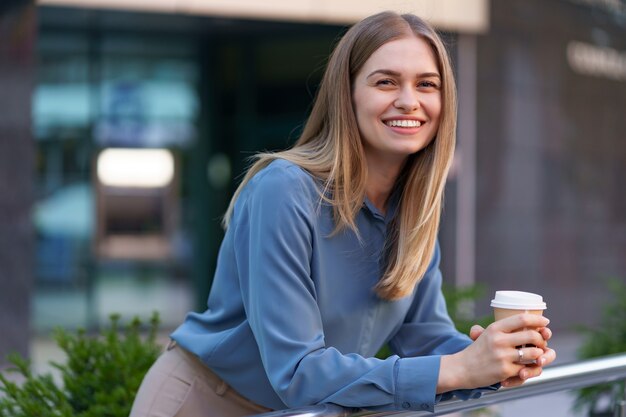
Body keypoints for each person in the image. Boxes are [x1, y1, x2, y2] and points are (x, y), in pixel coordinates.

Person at [129, 10, 556, 417]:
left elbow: (424, 337)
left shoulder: (415, 208)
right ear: (346, 94)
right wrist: (461, 369)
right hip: (207, 402)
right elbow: (298, 372)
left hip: (308, 411)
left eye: (427, 84)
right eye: (386, 82)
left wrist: (494, 359)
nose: (409, 101)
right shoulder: (285, 190)